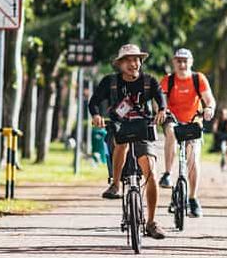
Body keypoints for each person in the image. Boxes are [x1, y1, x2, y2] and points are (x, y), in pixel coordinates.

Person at [88, 43, 167, 239]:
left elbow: (161, 100)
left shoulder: (149, 81)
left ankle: (151, 222)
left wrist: (162, 111)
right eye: (128, 60)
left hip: (143, 126)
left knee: (151, 172)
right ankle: (115, 184)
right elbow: (94, 102)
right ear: (120, 64)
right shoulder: (110, 82)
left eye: (136, 59)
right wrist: (96, 115)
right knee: (120, 143)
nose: (133, 64)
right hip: (120, 126)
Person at [158, 48, 215, 218]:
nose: (182, 64)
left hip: (193, 120)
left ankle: (193, 198)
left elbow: (209, 98)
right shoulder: (168, 80)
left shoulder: (199, 79)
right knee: (170, 131)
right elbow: (160, 102)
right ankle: (167, 174)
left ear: (191, 62)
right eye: (179, 61)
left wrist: (209, 108)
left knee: (193, 156)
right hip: (173, 118)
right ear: (174, 62)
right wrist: (161, 111)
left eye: (185, 61)